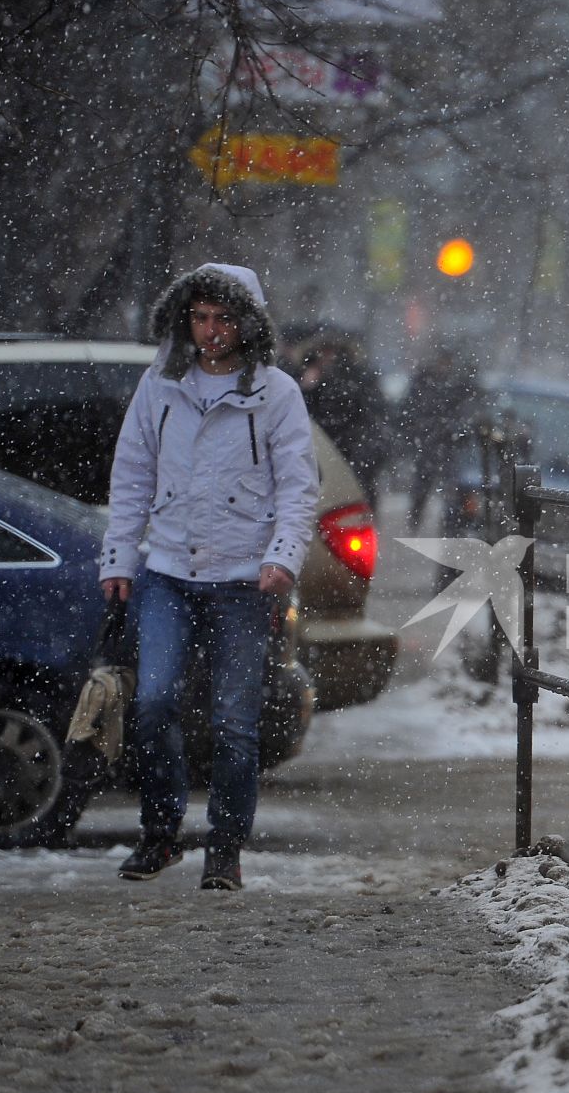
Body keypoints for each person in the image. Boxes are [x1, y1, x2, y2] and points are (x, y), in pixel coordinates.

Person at [101, 263, 319, 890]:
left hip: (244, 580)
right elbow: (132, 473)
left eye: (223, 318)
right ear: (183, 319)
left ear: (248, 322)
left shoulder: (276, 393)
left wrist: (281, 557)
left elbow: (299, 487)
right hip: (167, 570)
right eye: (200, 318)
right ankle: (161, 834)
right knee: (152, 703)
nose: (211, 331)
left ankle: (224, 851)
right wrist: (119, 558)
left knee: (235, 722)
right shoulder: (160, 385)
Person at [286, 330, 389, 494]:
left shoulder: (357, 375)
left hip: (351, 452)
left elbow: (373, 414)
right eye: (322, 350)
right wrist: (306, 387)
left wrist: (365, 453)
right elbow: (293, 412)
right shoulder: (302, 374)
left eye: (332, 350)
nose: (327, 356)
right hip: (316, 452)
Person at [400, 343, 487, 530]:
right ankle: (417, 519)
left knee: (450, 489)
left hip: (448, 444)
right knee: (423, 485)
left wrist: (454, 429)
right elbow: (411, 409)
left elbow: (468, 409)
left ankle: (448, 522)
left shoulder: (457, 385)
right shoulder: (426, 381)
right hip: (430, 442)